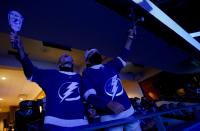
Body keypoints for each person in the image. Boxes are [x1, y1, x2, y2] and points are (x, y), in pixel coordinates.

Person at [10, 32, 88, 131]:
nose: (65, 54)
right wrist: (20, 49)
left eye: (68, 56)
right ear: (59, 64)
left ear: (73, 62)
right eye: (63, 56)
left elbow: (87, 98)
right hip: (54, 125)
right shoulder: (51, 75)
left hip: (81, 124)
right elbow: (31, 71)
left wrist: (89, 108)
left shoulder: (80, 78)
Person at [82, 29, 141, 131]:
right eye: (91, 53)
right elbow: (89, 95)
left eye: (96, 52)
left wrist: (130, 37)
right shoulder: (87, 73)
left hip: (128, 110)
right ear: (87, 61)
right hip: (108, 116)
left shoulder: (111, 65)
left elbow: (124, 54)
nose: (95, 53)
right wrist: (107, 103)